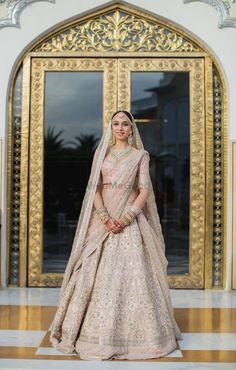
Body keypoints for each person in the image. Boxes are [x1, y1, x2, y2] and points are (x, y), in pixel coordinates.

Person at [50, 110, 182, 360]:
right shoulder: (101, 154)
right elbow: (95, 189)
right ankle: (90, 334)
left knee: (133, 274)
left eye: (125, 124)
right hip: (104, 218)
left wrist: (126, 217)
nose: (120, 128)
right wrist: (104, 218)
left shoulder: (140, 155)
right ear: (110, 127)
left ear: (132, 129)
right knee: (92, 269)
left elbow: (144, 189)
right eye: (116, 124)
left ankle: (140, 337)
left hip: (129, 219)